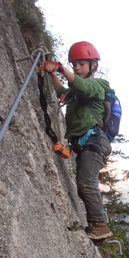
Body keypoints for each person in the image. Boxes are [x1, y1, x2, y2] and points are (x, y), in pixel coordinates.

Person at [41, 41, 114, 241]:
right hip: (86, 143)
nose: (77, 67)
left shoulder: (99, 85)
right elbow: (64, 94)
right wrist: (53, 74)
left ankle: (100, 225)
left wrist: (61, 68)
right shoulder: (78, 90)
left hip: (94, 140)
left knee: (87, 182)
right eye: (74, 64)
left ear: (93, 65)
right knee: (83, 184)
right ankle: (95, 225)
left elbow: (81, 85)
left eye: (82, 63)